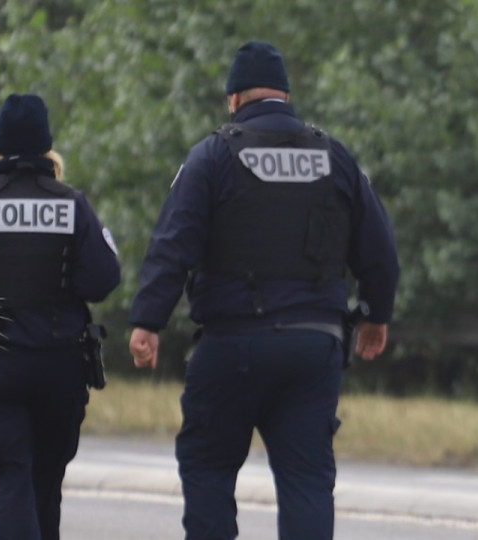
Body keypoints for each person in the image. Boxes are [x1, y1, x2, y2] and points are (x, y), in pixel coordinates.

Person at [129, 41, 400, 539]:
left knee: (208, 466)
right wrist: (376, 315)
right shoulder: (334, 155)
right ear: (286, 95)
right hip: (312, 348)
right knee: (307, 480)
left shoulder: (213, 154)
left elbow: (174, 243)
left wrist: (149, 320)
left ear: (234, 99)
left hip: (232, 345)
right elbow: (379, 248)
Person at [0, 93, 121, 540]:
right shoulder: (72, 204)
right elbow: (103, 279)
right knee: (46, 486)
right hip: (60, 366)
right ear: (47, 148)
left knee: (11, 482)